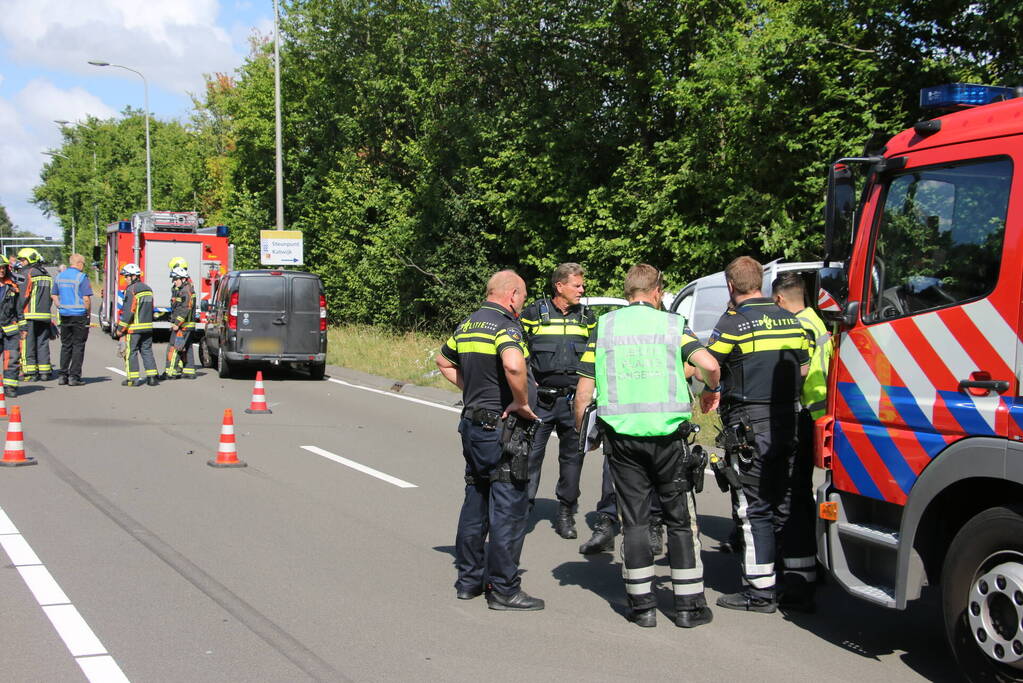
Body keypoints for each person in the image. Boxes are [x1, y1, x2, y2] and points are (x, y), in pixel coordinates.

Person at [574, 264, 721, 629]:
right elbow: (709, 364)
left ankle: (642, 608)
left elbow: (583, 391)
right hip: (668, 439)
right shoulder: (672, 324)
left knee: (635, 521)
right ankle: (688, 607)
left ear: (628, 293)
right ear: (657, 292)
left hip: (623, 440)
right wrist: (711, 390)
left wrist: (584, 434)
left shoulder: (605, 326)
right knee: (680, 520)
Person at [435, 270, 545, 611]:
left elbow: (443, 361)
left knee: (476, 499)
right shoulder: (506, 326)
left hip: (472, 425)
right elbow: (513, 365)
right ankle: (504, 589)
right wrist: (521, 401)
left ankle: (469, 581)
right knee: (509, 510)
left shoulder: (468, 324)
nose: (522, 304)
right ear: (512, 295)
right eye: (522, 297)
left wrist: (471, 389)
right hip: (502, 429)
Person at [707, 257, 809, 614]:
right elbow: (804, 367)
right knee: (787, 502)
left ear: (730, 285)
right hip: (790, 419)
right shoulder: (791, 319)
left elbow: (709, 366)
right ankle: (797, 584)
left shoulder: (733, 322)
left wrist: (712, 389)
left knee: (753, 507)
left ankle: (759, 591)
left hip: (751, 423)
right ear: (762, 283)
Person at [518, 263, 596, 539]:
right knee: (529, 457)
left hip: (574, 402)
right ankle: (522, 511)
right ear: (559, 286)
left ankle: (565, 513)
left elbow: (596, 358)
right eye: (577, 285)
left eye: (582, 285)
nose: (582, 290)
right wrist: (528, 385)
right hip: (540, 402)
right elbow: (517, 353)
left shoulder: (588, 317)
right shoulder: (532, 315)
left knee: (573, 461)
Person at [772, 272, 833, 611]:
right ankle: (814, 560)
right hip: (820, 413)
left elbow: (801, 370)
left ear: (780, 299)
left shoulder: (800, 326)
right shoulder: (816, 320)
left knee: (794, 494)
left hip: (805, 414)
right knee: (804, 494)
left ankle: (800, 572)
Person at [114, 264, 159, 387]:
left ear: (134, 276)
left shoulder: (131, 290)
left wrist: (120, 329)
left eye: (127, 276)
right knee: (147, 351)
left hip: (134, 328)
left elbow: (129, 311)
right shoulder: (148, 289)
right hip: (147, 327)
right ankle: (152, 378)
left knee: (131, 352)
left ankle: (133, 379)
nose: (125, 279)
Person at [52, 254, 93, 386]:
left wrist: (60, 306)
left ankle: (62, 375)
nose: (83, 266)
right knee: (78, 346)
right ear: (79, 263)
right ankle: (74, 377)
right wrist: (88, 314)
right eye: (84, 264)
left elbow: (54, 295)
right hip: (79, 315)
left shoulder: (60, 276)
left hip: (65, 315)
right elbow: (86, 299)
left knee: (66, 345)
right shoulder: (81, 277)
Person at [16, 247, 54, 381]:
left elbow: (23, 296)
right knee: (43, 343)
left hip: (29, 315)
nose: (21, 263)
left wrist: (18, 312)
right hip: (45, 315)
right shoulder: (46, 274)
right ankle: (44, 372)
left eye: (23, 260)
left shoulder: (27, 273)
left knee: (28, 344)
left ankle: (30, 373)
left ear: (30, 259)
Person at [163, 266, 197, 379]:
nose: (174, 281)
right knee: (187, 347)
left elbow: (185, 309)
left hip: (183, 326)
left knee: (174, 347)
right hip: (187, 325)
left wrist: (177, 323)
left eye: (176, 279)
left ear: (183, 279)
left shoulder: (185, 291)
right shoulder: (184, 289)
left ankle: (170, 372)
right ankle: (189, 371)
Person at [0, 255, 23, 396]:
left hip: (10, 330)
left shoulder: (12, 286)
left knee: (12, 358)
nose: (2, 270)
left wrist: (23, 326)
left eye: (3, 268)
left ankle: (10, 387)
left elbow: (19, 308)